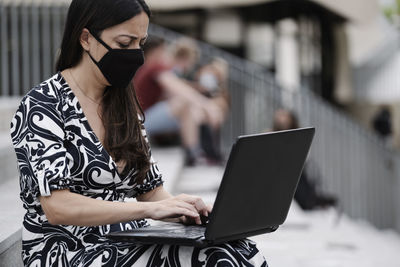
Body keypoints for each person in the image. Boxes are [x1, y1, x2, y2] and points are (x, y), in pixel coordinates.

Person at [9, 0, 267, 266]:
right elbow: (57, 207)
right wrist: (148, 210)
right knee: (211, 258)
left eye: (140, 43)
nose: (135, 54)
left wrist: (183, 209)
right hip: (65, 251)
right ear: (85, 38)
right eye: (124, 43)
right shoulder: (42, 105)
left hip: (122, 240)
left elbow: (150, 191)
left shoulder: (123, 105)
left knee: (238, 248)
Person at [135, 36, 225, 165]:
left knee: (192, 109)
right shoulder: (155, 66)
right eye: (164, 50)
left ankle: (202, 154)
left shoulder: (153, 68)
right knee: (185, 103)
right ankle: (197, 154)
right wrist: (207, 106)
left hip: (147, 117)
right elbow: (178, 89)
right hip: (141, 121)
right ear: (156, 52)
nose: (167, 54)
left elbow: (176, 90)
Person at [273, 109, 337, 210]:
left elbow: (304, 158)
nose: (282, 120)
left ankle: (311, 201)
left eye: (285, 117)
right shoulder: (269, 134)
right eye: (280, 117)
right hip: (277, 173)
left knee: (299, 179)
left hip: (294, 171)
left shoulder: (298, 136)